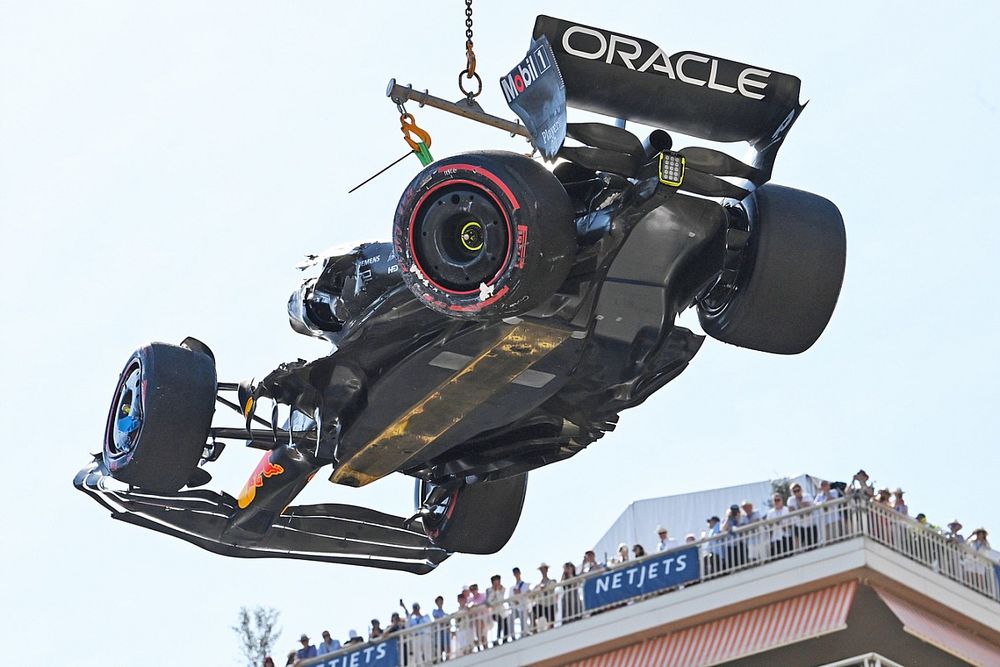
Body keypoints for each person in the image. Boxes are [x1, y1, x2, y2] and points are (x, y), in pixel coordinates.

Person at [787, 483, 817, 548]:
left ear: (801, 489)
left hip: (810, 525)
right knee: (801, 545)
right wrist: (802, 508)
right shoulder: (790, 500)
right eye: (794, 491)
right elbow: (791, 511)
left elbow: (808, 511)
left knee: (813, 545)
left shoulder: (807, 496)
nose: (797, 492)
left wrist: (798, 501)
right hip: (799, 526)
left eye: (798, 490)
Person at [486, 574, 510, 645]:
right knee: (499, 621)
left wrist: (497, 591)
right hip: (494, 612)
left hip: (502, 611)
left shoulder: (502, 589)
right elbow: (489, 601)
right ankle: (497, 638)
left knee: (505, 623)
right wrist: (494, 592)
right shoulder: (489, 590)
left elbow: (500, 599)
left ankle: (505, 640)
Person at [508, 567, 531, 638]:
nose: (516, 574)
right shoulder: (512, 588)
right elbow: (510, 599)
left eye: (517, 572)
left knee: (522, 616)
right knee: (510, 617)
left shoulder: (526, 585)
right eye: (515, 573)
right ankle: (512, 636)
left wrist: (520, 593)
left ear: (520, 573)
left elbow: (529, 594)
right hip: (516, 608)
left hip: (524, 607)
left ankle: (524, 633)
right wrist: (514, 602)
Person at [722, 504, 747, 568]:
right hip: (730, 545)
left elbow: (743, 526)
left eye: (736, 511)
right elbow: (722, 529)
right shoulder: (727, 520)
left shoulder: (742, 517)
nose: (735, 513)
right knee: (732, 562)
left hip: (740, 543)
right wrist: (728, 518)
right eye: (733, 511)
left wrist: (739, 517)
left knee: (742, 560)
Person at [533, 563, 557, 630]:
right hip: (542, 605)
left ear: (547, 570)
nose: (543, 571)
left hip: (550, 604)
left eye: (544, 569)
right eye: (541, 569)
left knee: (551, 623)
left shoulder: (552, 581)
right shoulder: (538, 585)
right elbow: (533, 593)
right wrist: (540, 588)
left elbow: (553, 585)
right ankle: (535, 628)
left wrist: (545, 587)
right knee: (534, 610)